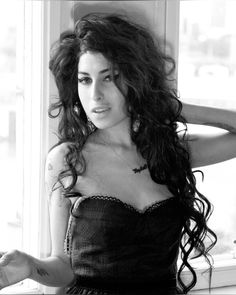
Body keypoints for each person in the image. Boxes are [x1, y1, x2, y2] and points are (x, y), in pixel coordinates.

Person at [1, 12, 236, 295]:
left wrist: (168, 106)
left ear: (136, 80)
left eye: (109, 78)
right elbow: (64, 266)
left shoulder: (172, 152)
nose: (95, 95)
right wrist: (29, 266)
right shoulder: (68, 160)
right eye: (85, 80)